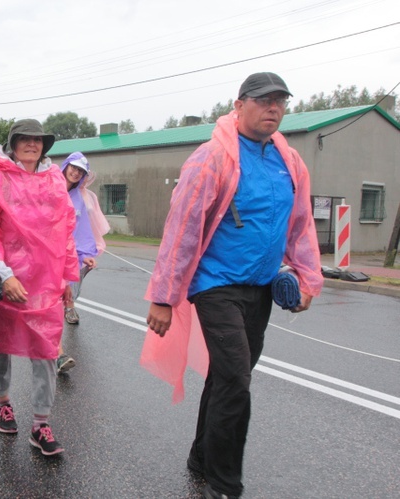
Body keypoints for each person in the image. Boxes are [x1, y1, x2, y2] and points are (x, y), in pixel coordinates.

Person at [143, 72, 324, 499]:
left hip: (260, 288)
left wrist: (307, 278)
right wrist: (164, 297)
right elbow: (182, 229)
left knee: (227, 378)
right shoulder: (213, 158)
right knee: (236, 382)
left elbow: (299, 226)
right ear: (239, 105)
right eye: (264, 101)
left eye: (280, 101)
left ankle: (201, 457)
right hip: (216, 285)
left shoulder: (290, 161)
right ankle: (224, 485)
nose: (273, 108)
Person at [0, 118, 79, 456]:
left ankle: (41, 424)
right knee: (0, 347)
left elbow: (64, 230)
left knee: (46, 351)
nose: (31, 144)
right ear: (13, 142)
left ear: (45, 146)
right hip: (4, 278)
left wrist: (68, 276)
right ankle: (3, 402)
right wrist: (3, 275)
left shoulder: (54, 180)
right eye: (24, 138)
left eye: (37, 140)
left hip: (44, 280)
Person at [56, 152, 111, 374]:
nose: (76, 172)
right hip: (46, 253)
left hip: (67, 255)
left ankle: (58, 353)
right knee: (49, 300)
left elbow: (81, 230)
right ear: (66, 166)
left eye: (81, 171)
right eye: (74, 167)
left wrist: (86, 253)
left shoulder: (80, 198)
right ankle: (53, 350)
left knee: (62, 295)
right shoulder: (50, 186)